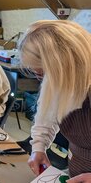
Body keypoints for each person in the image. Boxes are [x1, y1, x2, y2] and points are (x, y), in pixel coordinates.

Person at [19, 20, 91, 181]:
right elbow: (46, 114)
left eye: (44, 73)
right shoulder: (59, 79)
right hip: (77, 168)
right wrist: (39, 147)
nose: (44, 81)